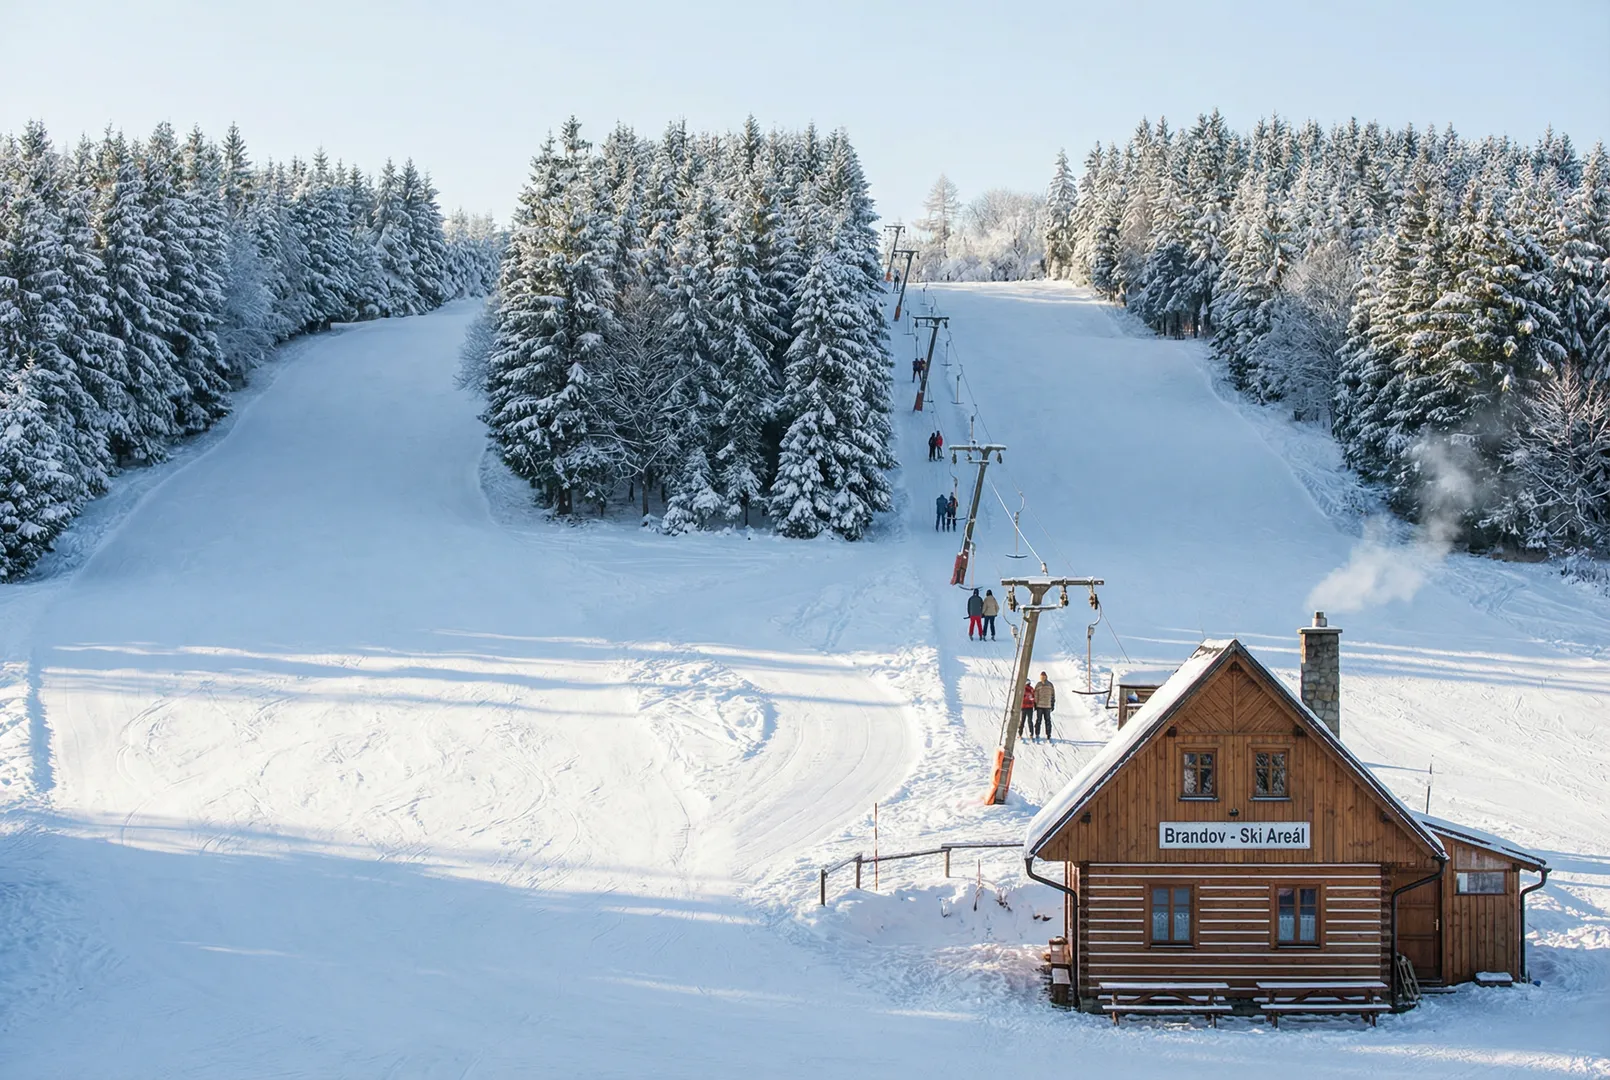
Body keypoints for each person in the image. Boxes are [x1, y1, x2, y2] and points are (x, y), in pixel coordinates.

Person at [1035, 671, 1056, 742]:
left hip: (1039, 706)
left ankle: (1037, 733)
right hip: (1047, 706)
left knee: (1038, 720)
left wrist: (1035, 704)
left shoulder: (1038, 685)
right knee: (1047, 720)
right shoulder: (1050, 685)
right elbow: (1053, 695)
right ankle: (1048, 734)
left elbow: (1036, 695)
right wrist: (1052, 704)